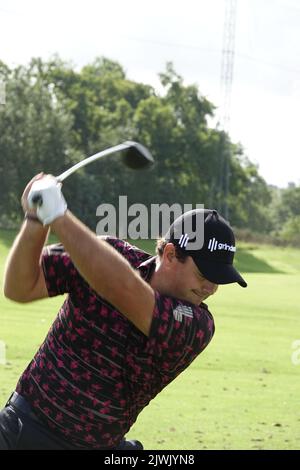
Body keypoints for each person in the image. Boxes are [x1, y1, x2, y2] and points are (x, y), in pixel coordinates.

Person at [1, 174, 247, 450]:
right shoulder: (106, 253)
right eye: (204, 275)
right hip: (23, 426)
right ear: (169, 255)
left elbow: (125, 290)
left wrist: (58, 215)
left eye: (219, 280)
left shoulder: (198, 326)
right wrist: (36, 219)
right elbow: (19, 288)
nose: (211, 288)